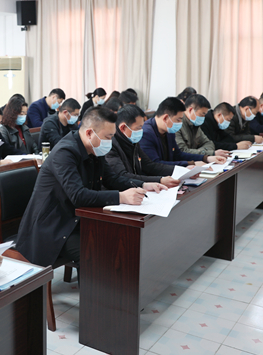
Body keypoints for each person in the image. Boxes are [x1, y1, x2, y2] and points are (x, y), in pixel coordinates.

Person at [16, 107, 167, 266]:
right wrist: (121, 197)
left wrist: (144, 185)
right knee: (96, 253)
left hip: (78, 219)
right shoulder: (64, 153)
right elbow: (78, 196)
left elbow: (112, 179)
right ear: (89, 133)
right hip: (54, 226)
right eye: (108, 137)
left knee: (122, 240)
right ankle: (96, 283)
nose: (110, 141)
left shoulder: (94, 149)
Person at [106, 105, 180, 188]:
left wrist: (179, 170)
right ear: (123, 127)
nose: (141, 131)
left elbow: (149, 165)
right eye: (138, 128)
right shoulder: (110, 145)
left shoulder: (132, 140)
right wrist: (159, 180)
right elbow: (122, 176)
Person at [140, 97, 226, 167]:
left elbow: (178, 155)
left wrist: (206, 158)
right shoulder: (146, 133)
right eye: (178, 119)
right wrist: (191, 164)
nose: (180, 123)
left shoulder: (168, 130)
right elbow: (155, 164)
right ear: (165, 118)